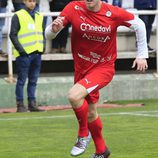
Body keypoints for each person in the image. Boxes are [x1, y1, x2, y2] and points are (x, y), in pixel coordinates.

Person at [45, 0, 148, 157]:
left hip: (103, 68)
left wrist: (141, 55)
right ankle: (102, 151)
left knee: (74, 96)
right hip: (81, 68)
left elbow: (139, 24)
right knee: (91, 112)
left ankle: (83, 134)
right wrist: (53, 30)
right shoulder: (73, 7)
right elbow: (49, 35)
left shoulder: (113, 13)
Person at [10, 0, 46, 112]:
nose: (32, 3)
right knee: (22, 80)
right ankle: (20, 105)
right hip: (24, 55)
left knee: (33, 80)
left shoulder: (40, 16)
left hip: (37, 53)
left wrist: (43, 47)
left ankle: (32, 104)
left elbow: (42, 33)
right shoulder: (18, 15)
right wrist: (21, 51)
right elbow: (13, 35)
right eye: (30, 1)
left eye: (34, 1)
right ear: (24, 2)